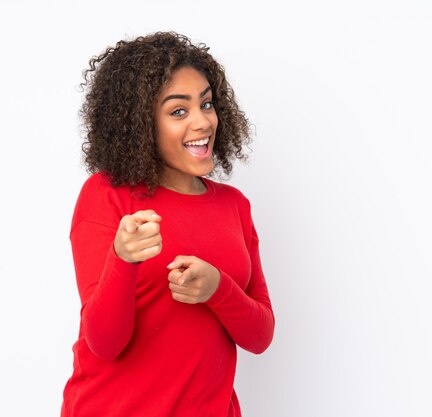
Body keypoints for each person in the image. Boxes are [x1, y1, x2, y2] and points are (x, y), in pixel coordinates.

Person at [61, 31, 274, 417]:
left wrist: (217, 289)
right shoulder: (108, 196)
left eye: (206, 104)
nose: (203, 122)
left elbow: (260, 336)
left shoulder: (234, 207)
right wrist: (123, 258)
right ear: (141, 124)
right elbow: (105, 342)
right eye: (178, 111)